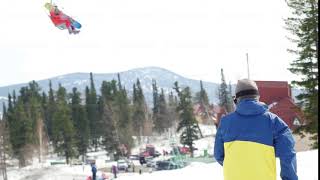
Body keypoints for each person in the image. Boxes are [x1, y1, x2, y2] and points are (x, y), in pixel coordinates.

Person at [214, 79, 298, 180]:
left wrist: (238, 167)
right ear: (257, 97)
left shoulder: (225, 122)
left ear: (237, 99)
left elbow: (219, 155)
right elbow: (288, 152)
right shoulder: (273, 121)